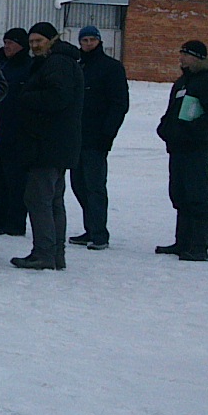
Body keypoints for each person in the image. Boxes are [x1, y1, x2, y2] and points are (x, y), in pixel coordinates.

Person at [13, 22, 82, 271]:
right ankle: (55, 254)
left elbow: (57, 97)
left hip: (47, 145)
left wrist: (25, 97)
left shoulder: (58, 63)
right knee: (53, 200)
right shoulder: (59, 62)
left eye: (38, 41)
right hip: (56, 144)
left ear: (52, 40)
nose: (34, 46)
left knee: (39, 199)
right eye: (31, 42)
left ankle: (44, 253)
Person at [156, 39, 208, 261]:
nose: (181, 58)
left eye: (185, 55)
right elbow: (173, 111)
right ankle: (183, 242)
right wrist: (165, 128)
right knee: (179, 193)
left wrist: (192, 131)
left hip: (196, 148)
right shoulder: (183, 81)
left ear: (197, 58)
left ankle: (199, 246)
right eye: (181, 54)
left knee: (196, 194)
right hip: (177, 148)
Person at [69, 25, 130, 251]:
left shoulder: (111, 68)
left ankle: (99, 233)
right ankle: (90, 228)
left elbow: (119, 103)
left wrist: (108, 133)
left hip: (97, 137)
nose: (88, 44)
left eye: (91, 40)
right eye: (84, 40)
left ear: (99, 41)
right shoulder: (78, 66)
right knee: (78, 185)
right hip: (76, 136)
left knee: (95, 186)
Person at [0, 28, 35, 238]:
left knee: (16, 182)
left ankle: (15, 223)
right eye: (5, 42)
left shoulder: (28, 67)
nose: (7, 46)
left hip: (18, 132)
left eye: (11, 42)